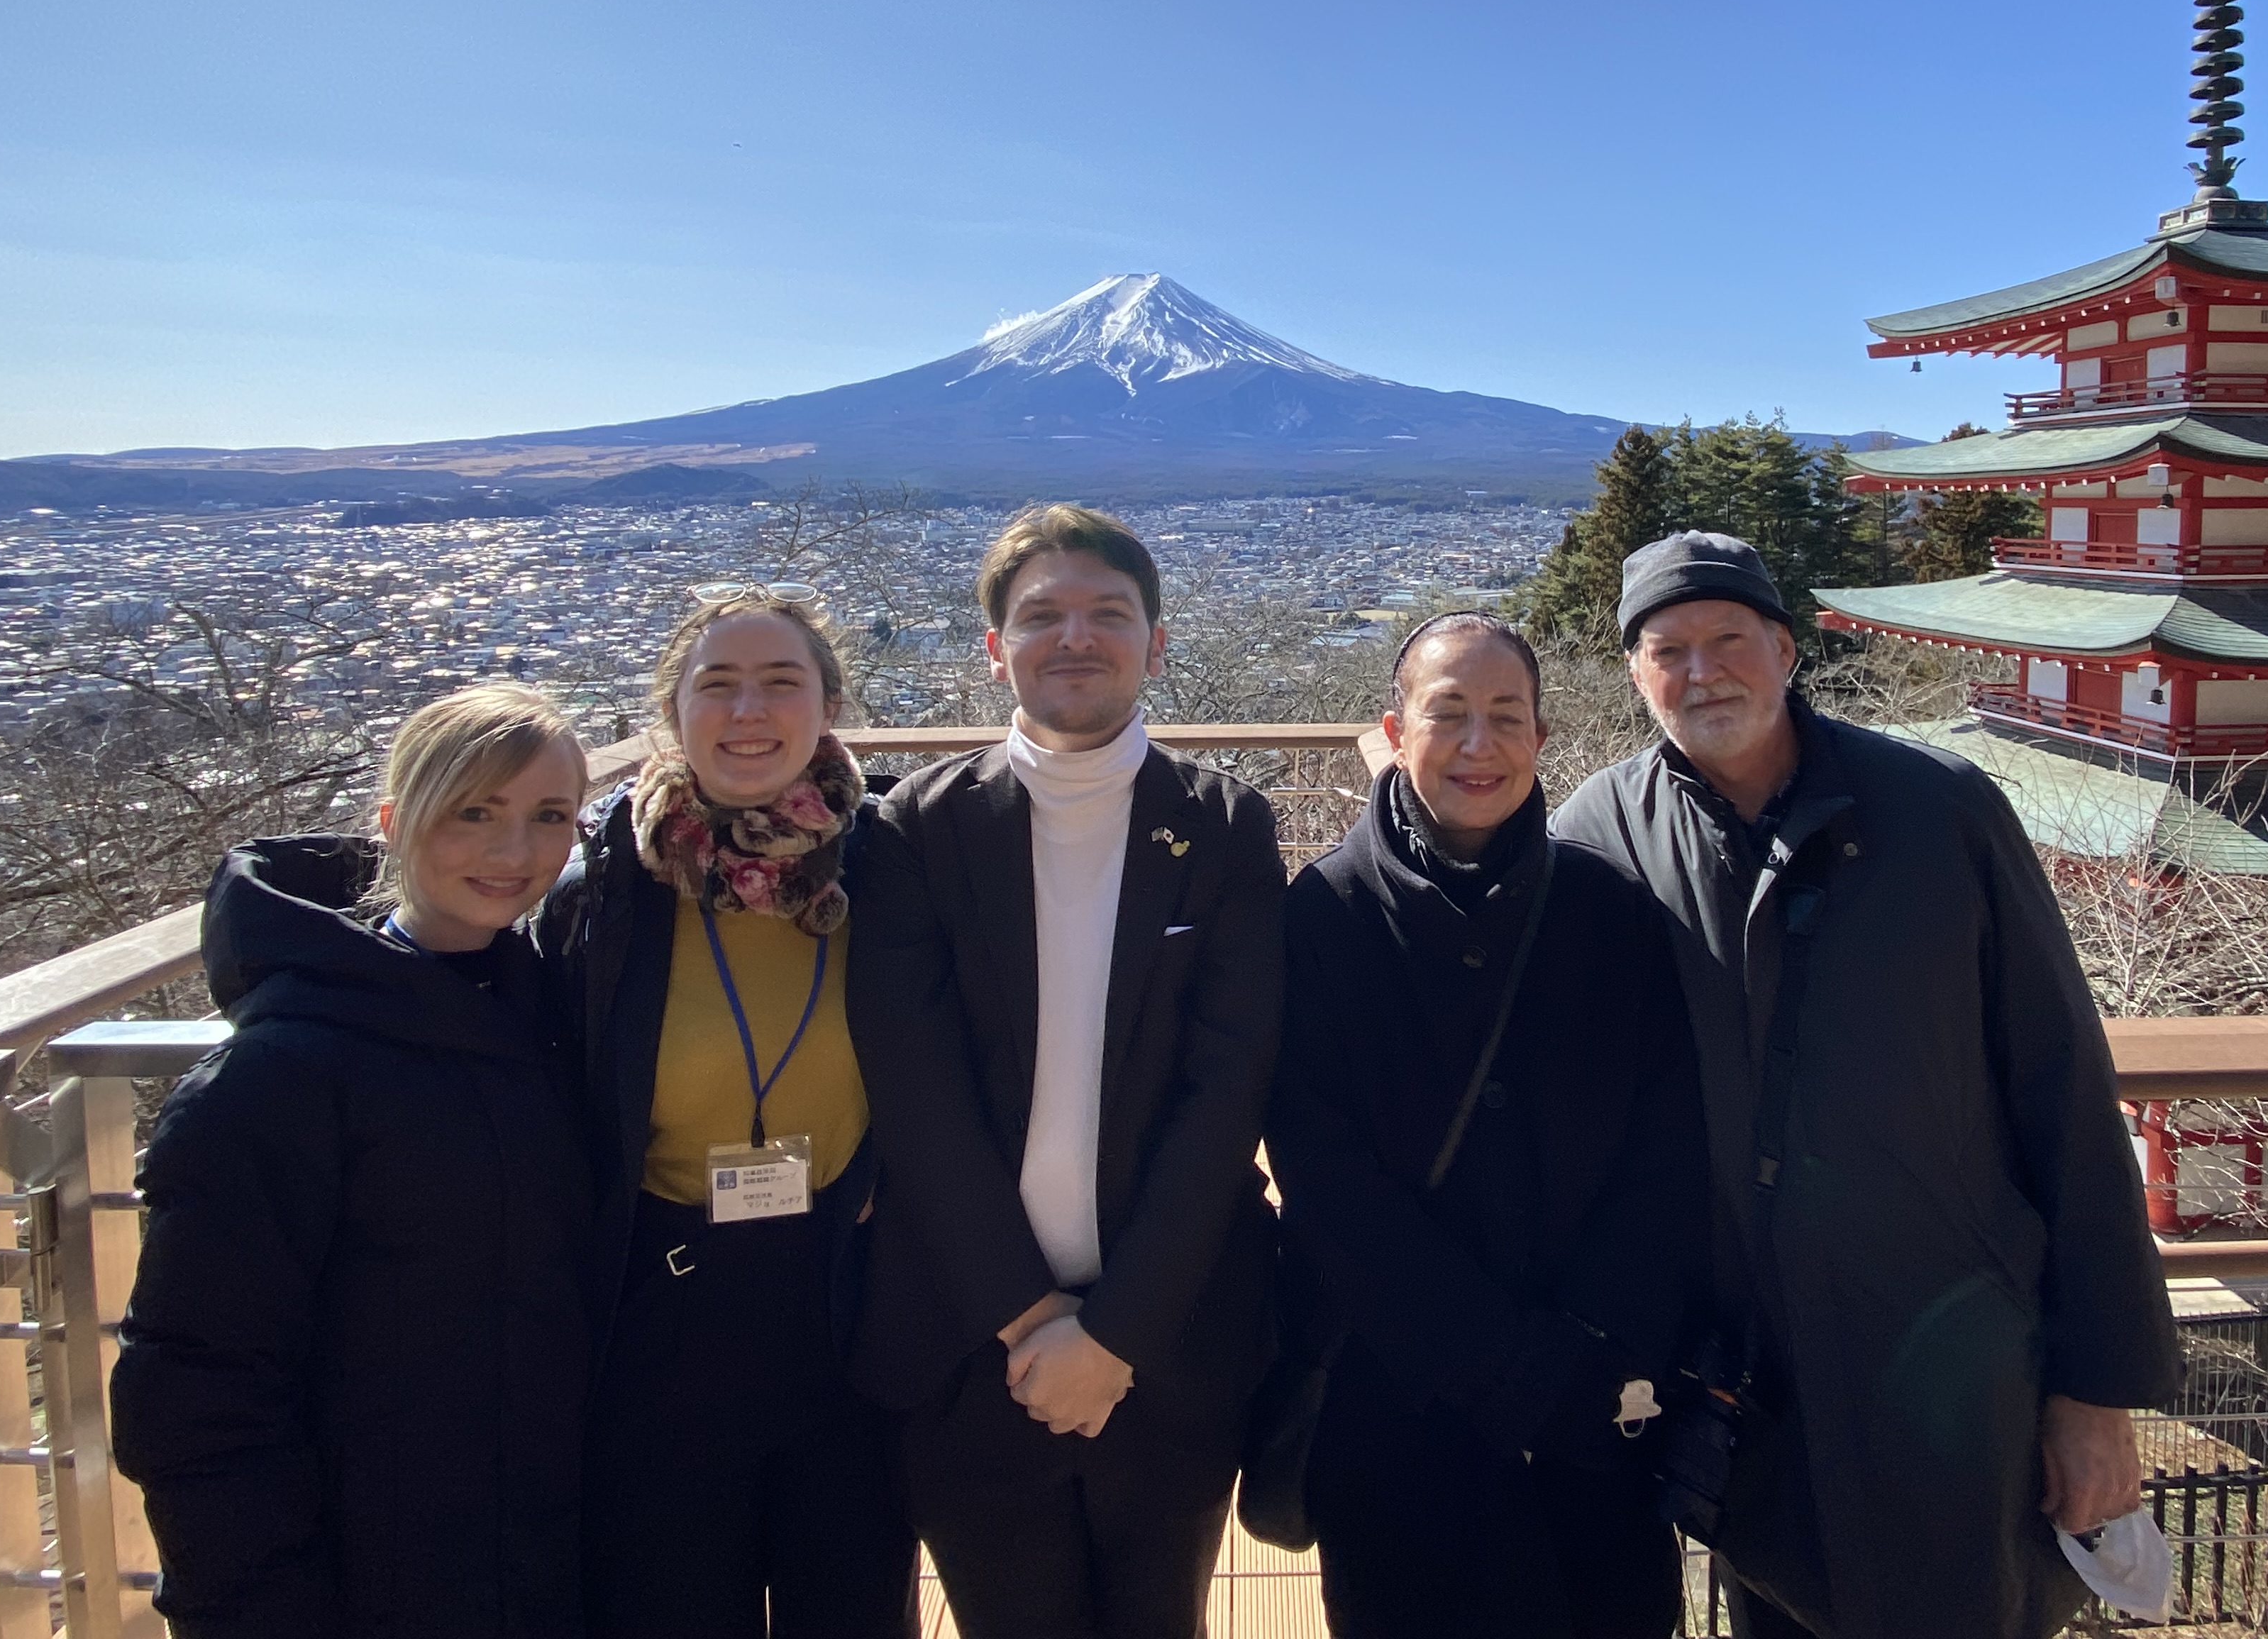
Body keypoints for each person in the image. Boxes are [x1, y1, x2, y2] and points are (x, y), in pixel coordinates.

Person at [1554, 533, 2183, 1639]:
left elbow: (2064, 1091)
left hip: (1954, 1359)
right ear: (1634, 674)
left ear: (1786, 650)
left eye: (1729, 642)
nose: (1703, 673)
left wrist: (2097, 1390)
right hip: (1746, 1376)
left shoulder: (1941, 812)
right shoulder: (1602, 837)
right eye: (1669, 651)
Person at [846, 504, 1284, 1639]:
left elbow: (1225, 1096)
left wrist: (1117, 1335)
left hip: (1170, 1347)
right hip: (967, 1345)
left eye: (1108, 614)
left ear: (1157, 642)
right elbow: (917, 1097)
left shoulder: (1226, 825)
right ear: (994, 649)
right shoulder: (911, 834)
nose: (1075, 638)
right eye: (1041, 615)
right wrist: (1033, 1318)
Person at [113, 683, 595, 1639]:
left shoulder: (554, 1024)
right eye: (474, 813)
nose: (515, 853)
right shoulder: (279, 1076)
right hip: (360, 1580)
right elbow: (199, 1391)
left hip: (541, 1560)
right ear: (391, 823)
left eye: (548, 818)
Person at [1267, 613, 1705, 1639]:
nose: (1480, 744)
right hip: (1395, 1404)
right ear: (1395, 726)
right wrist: (1503, 1364)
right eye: (1448, 714)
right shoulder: (1321, 917)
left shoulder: (1612, 911)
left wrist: (1588, 1348)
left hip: (1596, 1401)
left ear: (1543, 737)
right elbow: (1325, 1179)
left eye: (1508, 716)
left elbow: (1666, 1154)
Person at [541, 586, 914, 1639]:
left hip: (846, 1304)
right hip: (658, 1317)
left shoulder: (896, 871)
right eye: (719, 684)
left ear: (829, 705)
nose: (749, 711)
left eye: (781, 682)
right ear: (673, 710)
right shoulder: (600, 897)